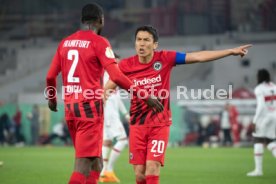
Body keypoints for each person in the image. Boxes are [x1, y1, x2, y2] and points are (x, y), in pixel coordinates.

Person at [104, 25, 252, 184]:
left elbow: (198, 57)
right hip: (138, 125)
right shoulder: (126, 65)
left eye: (146, 40)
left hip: (159, 124)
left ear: (155, 44)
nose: (142, 43)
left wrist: (230, 51)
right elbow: (107, 88)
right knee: (140, 174)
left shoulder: (165, 58)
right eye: (139, 40)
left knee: (152, 166)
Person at [45, 4, 163, 184]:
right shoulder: (99, 42)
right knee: (82, 165)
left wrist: (52, 99)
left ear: (83, 20)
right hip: (89, 110)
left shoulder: (65, 43)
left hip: (70, 109)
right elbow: (116, 75)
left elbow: (50, 76)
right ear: (101, 20)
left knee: (97, 163)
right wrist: (144, 95)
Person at [99, 58, 130, 182]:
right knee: (122, 140)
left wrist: (125, 114)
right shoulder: (107, 76)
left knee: (107, 142)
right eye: (116, 63)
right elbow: (105, 96)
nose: (117, 65)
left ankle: (102, 173)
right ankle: (109, 170)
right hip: (109, 114)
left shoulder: (112, 75)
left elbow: (117, 98)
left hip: (109, 113)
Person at [247, 69, 276, 177]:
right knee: (270, 142)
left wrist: (255, 121)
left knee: (258, 141)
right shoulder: (274, 86)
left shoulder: (259, 89)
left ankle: (258, 170)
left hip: (264, 117)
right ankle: (258, 170)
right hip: (274, 116)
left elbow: (261, 106)